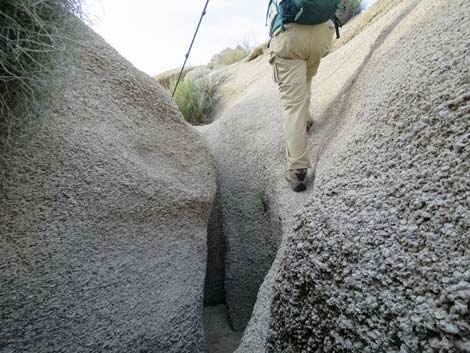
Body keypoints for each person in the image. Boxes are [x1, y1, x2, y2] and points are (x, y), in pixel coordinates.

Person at [269, 8, 336, 192]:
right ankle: (306, 120)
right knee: (305, 78)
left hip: (290, 35)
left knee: (293, 104)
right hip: (323, 32)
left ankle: (297, 171)